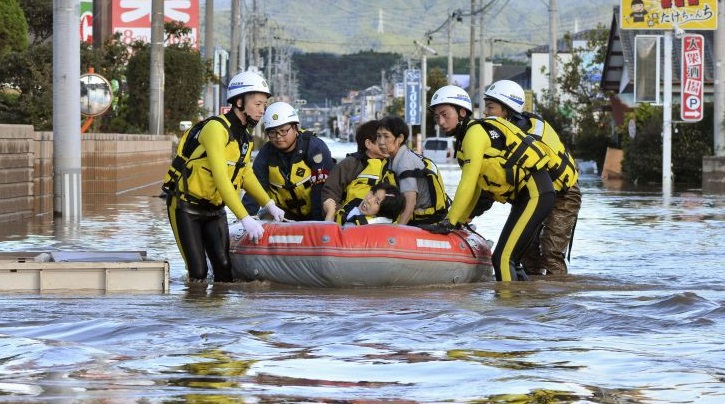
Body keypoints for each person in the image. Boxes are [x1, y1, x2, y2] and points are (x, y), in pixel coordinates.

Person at [162, 71, 285, 283]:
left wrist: (269, 204)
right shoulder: (215, 129)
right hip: (186, 207)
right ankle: (193, 310)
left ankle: (219, 314)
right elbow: (221, 179)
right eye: (257, 104)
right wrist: (245, 218)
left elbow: (245, 173)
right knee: (198, 273)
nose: (262, 110)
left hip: (215, 210)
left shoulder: (245, 138)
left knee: (224, 272)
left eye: (264, 105)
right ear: (239, 102)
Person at [425, 85, 556, 282]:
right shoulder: (464, 140)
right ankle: (527, 303)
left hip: (536, 193)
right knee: (513, 261)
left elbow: (467, 182)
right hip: (529, 196)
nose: (441, 122)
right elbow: (477, 187)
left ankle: (506, 310)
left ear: (462, 112)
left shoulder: (474, 133)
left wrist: (449, 222)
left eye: (445, 114)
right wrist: (461, 219)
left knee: (502, 259)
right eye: (437, 117)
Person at [483, 79, 581, 275]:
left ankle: (558, 301)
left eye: (490, 107)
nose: (485, 112)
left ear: (506, 110)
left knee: (551, 252)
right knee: (527, 249)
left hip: (564, 194)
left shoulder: (528, 138)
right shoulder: (508, 134)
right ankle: (534, 298)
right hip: (537, 195)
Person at [244, 101, 334, 221]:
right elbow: (255, 189)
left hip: (317, 212)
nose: (278, 136)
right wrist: (245, 220)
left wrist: (317, 224)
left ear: (296, 128)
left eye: (283, 130)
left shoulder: (315, 148)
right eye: (272, 132)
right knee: (264, 216)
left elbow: (322, 190)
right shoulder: (265, 154)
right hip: (284, 215)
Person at [376, 116, 449, 226]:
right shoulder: (391, 159)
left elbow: (410, 203)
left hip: (424, 221)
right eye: (378, 136)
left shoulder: (405, 163)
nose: (381, 142)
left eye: (386, 136)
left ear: (400, 138)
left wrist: (398, 232)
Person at [321, 119, 388, 223]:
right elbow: (330, 193)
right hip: (349, 225)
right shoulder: (350, 164)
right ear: (369, 144)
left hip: (383, 227)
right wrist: (343, 216)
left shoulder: (395, 164)